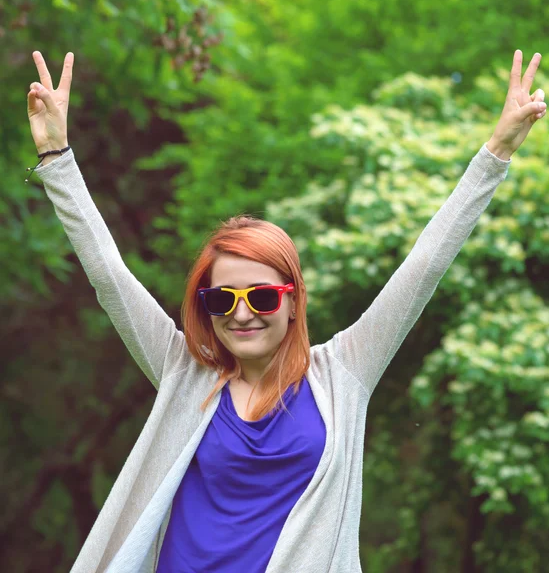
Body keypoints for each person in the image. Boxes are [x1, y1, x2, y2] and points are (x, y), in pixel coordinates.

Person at [26, 49, 545, 573]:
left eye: (262, 296)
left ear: (292, 300)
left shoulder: (343, 375)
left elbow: (425, 266)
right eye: (221, 299)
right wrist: (57, 159)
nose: (242, 313)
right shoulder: (183, 371)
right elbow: (109, 277)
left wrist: (496, 152)